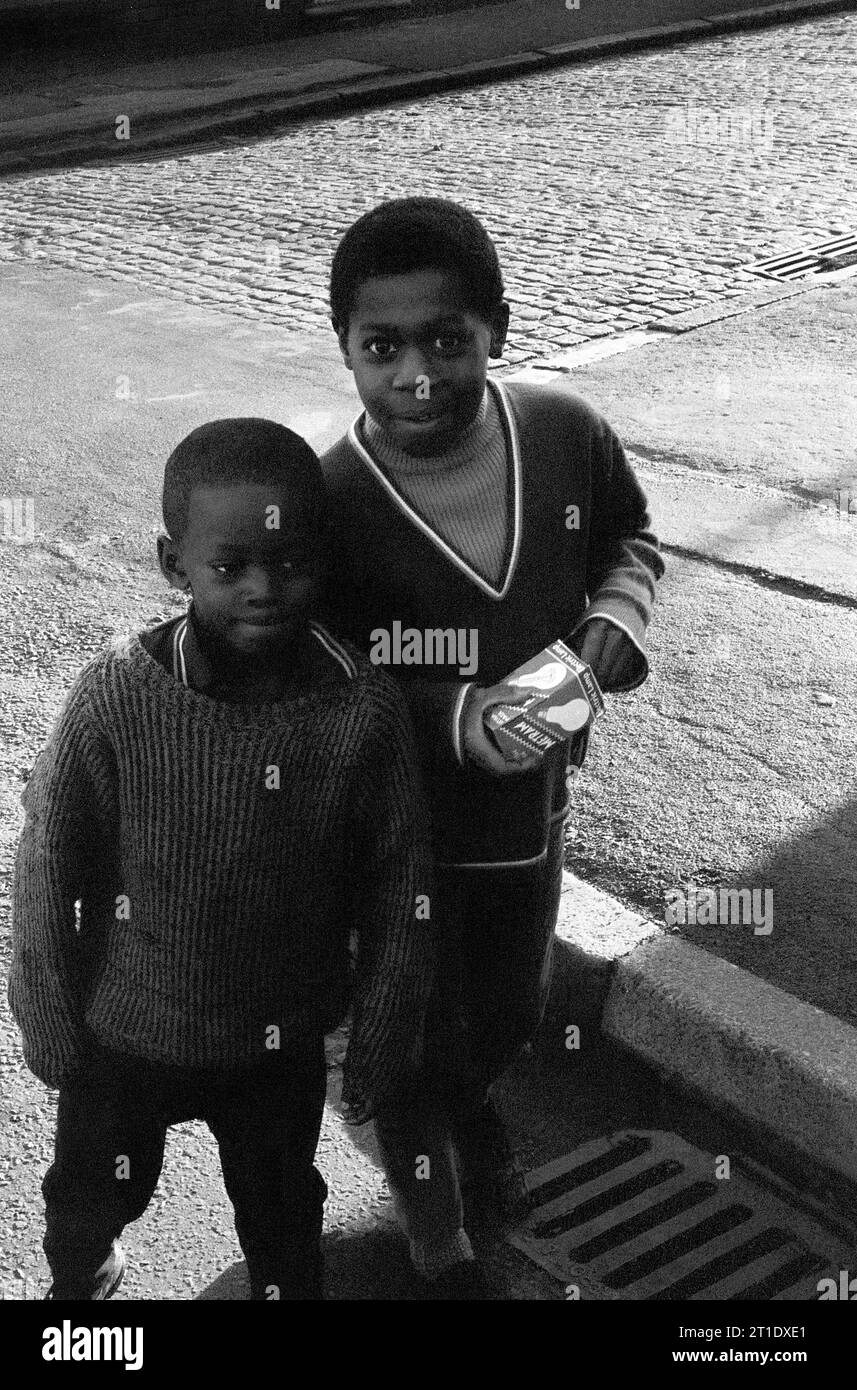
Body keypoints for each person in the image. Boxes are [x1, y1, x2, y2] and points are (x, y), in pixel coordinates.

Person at [318, 196, 664, 1298]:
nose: (415, 374)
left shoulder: (564, 432)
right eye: (383, 348)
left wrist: (617, 616)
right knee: (402, 1037)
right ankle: (442, 1238)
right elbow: (315, 680)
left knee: (507, 1010)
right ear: (347, 351)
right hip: (394, 842)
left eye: (446, 340)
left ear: (497, 330)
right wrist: (454, 714)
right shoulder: (328, 503)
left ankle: (474, 1107)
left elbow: (630, 537)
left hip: (529, 823)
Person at [9, 417, 435, 1301]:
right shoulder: (120, 698)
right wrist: (48, 1015)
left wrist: (383, 1032)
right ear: (174, 565)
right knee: (86, 1204)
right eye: (229, 566)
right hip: (126, 1037)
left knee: (283, 1220)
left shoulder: (361, 713)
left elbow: (401, 884)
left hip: (276, 1042)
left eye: (290, 563)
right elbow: (50, 864)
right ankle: (82, 1288)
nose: (264, 590)